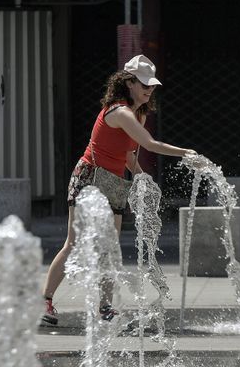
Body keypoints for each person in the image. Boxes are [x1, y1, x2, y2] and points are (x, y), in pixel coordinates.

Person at [41, 55, 197, 325]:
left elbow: (128, 155)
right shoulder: (120, 112)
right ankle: (46, 301)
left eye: (151, 84)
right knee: (74, 243)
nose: (149, 89)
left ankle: (104, 308)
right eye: (143, 83)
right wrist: (186, 153)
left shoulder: (139, 112)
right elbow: (149, 144)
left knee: (110, 248)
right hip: (89, 177)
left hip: (113, 182)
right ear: (128, 82)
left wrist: (142, 178)